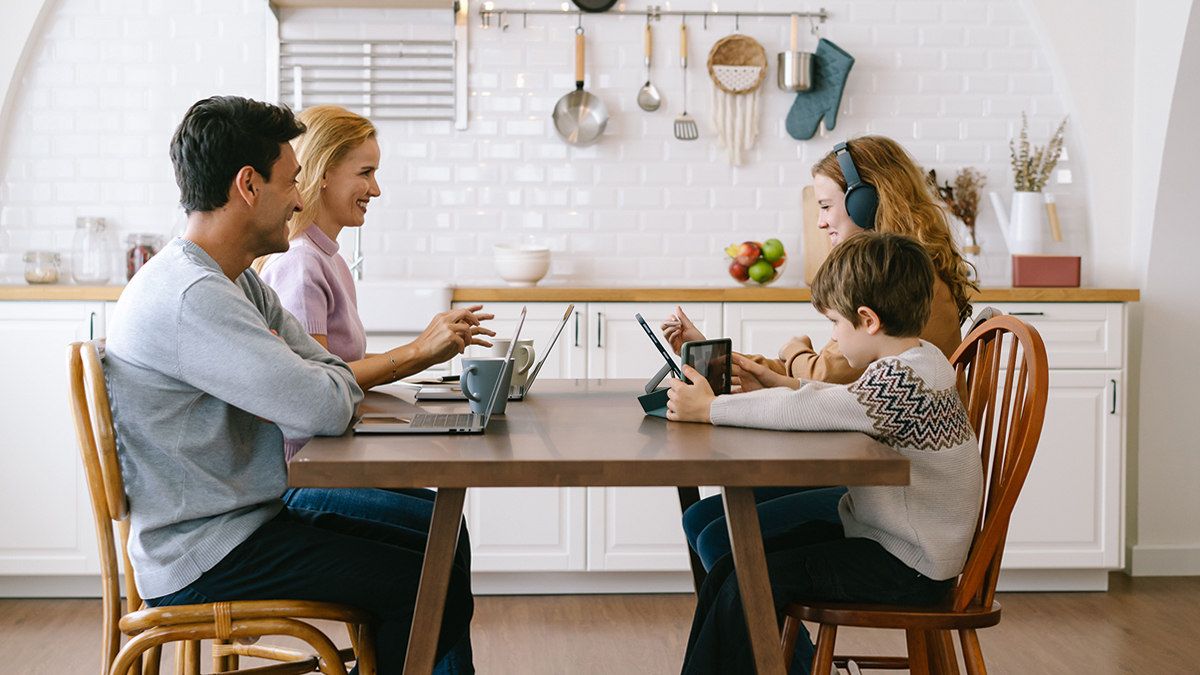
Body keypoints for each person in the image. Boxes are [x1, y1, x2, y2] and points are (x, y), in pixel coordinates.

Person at [103, 96, 473, 674]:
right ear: (248, 185)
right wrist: (321, 382)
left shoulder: (234, 283)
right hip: (209, 553)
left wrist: (321, 380)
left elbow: (324, 378)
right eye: (291, 181)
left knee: (437, 563)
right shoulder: (192, 297)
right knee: (430, 588)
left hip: (238, 523)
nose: (300, 200)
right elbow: (322, 406)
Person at [666, 231, 983, 675]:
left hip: (909, 565)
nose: (832, 336)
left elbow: (816, 406)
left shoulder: (902, 383)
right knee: (734, 568)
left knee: (748, 583)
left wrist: (710, 408)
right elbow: (842, 402)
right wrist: (775, 382)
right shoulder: (917, 361)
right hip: (891, 542)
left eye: (834, 324)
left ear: (868, 320)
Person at [667, 135, 979, 572]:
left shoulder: (903, 288)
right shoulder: (876, 277)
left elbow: (828, 386)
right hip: (877, 482)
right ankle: (763, 636)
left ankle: (767, 637)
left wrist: (726, 400)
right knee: (704, 518)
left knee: (721, 535)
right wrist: (742, 365)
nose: (819, 221)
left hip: (894, 500)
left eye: (827, 205)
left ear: (867, 202)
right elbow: (829, 386)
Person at [254, 105, 484, 674]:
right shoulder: (299, 266)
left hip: (324, 462)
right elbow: (314, 388)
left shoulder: (327, 260)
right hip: (301, 476)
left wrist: (424, 356)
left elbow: (335, 372)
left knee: (447, 533)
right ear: (323, 172)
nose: (375, 189)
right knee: (442, 537)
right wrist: (417, 353)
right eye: (365, 172)